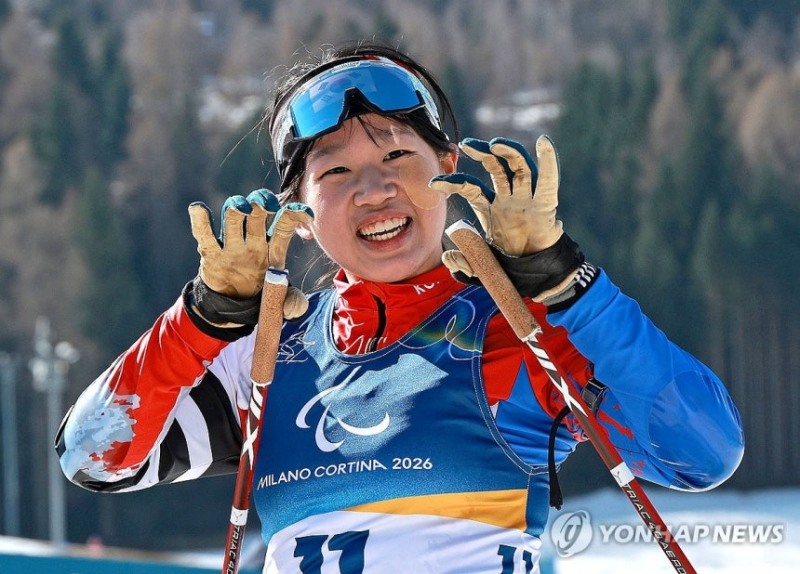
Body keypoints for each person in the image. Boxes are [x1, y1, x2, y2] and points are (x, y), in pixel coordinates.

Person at [56, 40, 744, 573]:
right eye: (335, 170)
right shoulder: (267, 360)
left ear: (448, 166)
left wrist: (567, 283)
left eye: (398, 157)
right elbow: (92, 456)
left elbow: (704, 452)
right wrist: (203, 319)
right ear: (301, 211)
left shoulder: (520, 334)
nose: (374, 189)